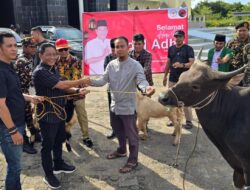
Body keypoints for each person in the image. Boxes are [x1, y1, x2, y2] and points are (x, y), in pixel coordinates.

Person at [88, 36, 155, 173]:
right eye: (116, 47)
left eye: (121, 46)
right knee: (117, 130)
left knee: (132, 136)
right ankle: (121, 150)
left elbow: (141, 81)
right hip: (114, 105)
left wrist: (146, 88)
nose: (118, 49)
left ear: (128, 47)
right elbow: (102, 81)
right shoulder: (111, 64)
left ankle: (133, 160)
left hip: (128, 107)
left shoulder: (135, 65)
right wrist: (88, 81)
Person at [32, 43, 89, 189]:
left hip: (59, 113)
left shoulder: (53, 69)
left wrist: (77, 89)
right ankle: (49, 174)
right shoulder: (40, 72)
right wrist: (81, 81)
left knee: (59, 140)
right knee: (48, 145)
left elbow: (64, 85)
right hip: (47, 115)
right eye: (48, 54)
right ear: (40, 56)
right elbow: (61, 86)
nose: (52, 57)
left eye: (54, 54)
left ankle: (58, 164)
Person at [0, 31, 43, 190]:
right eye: (9, 46)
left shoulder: (9, 65)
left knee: (16, 166)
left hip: (16, 123)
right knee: (15, 167)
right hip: (8, 128)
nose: (14, 49)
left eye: (15, 45)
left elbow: (14, 93)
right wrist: (13, 131)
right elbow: (0, 105)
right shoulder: (1, 71)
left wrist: (30, 98)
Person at [55, 38, 93, 148]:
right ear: (57, 50)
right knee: (64, 116)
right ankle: (66, 132)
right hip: (62, 95)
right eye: (60, 50)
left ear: (68, 49)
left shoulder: (75, 61)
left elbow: (76, 80)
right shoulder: (54, 62)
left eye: (65, 49)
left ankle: (86, 136)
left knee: (82, 115)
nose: (63, 52)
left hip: (77, 94)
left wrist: (75, 90)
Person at [162, 30, 194, 129]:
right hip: (172, 78)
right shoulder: (171, 49)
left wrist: (181, 65)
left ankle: (188, 121)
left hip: (184, 79)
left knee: (185, 101)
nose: (178, 38)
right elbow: (168, 62)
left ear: (184, 38)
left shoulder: (188, 49)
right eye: (176, 37)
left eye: (180, 36)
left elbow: (192, 63)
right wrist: (165, 76)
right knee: (170, 100)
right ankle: (171, 119)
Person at [15, 37, 38, 154]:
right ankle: (24, 143)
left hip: (25, 92)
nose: (34, 49)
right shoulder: (23, 61)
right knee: (23, 117)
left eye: (35, 46)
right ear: (24, 47)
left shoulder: (28, 58)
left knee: (28, 114)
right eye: (31, 46)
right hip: (19, 94)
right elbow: (32, 80)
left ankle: (34, 135)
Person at [104, 38, 117, 139]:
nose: (114, 52)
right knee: (112, 110)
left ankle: (124, 130)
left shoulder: (126, 58)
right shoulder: (108, 58)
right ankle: (114, 129)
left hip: (123, 90)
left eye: (116, 49)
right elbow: (106, 74)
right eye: (112, 50)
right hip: (111, 89)